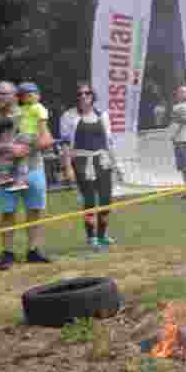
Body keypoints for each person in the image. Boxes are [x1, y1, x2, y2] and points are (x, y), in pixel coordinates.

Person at [0, 81, 54, 270]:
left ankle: (33, 251)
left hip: (34, 169)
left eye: (3, 94)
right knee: (7, 212)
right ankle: (8, 253)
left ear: (15, 96)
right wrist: (7, 147)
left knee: (35, 210)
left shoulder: (31, 111)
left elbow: (47, 140)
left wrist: (27, 148)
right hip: (4, 173)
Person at [59, 83, 119, 248]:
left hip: (102, 160)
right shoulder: (68, 116)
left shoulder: (102, 115)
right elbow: (65, 144)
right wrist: (68, 168)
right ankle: (91, 237)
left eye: (87, 93)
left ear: (93, 96)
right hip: (81, 161)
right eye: (80, 94)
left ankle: (102, 235)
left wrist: (114, 163)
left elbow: (108, 141)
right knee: (89, 200)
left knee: (106, 199)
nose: (84, 96)